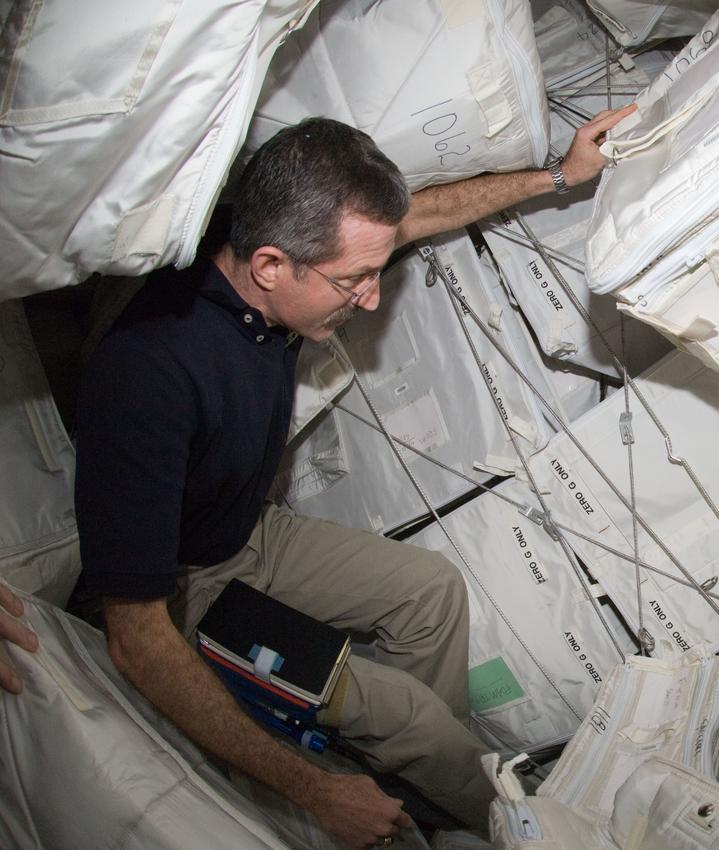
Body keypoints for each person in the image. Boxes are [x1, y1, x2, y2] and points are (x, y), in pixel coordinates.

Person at [63, 106, 633, 849]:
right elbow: (134, 637)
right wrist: (314, 790)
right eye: (354, 280)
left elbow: (416, 217)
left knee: (431, 591)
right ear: (271, 266)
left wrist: (560, 173)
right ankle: (508, 829)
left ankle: (410, 797)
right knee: (412, 719)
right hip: (178, 585)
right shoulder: (148, 376)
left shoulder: (255, 241)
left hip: (243, 526)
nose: (371, 296)